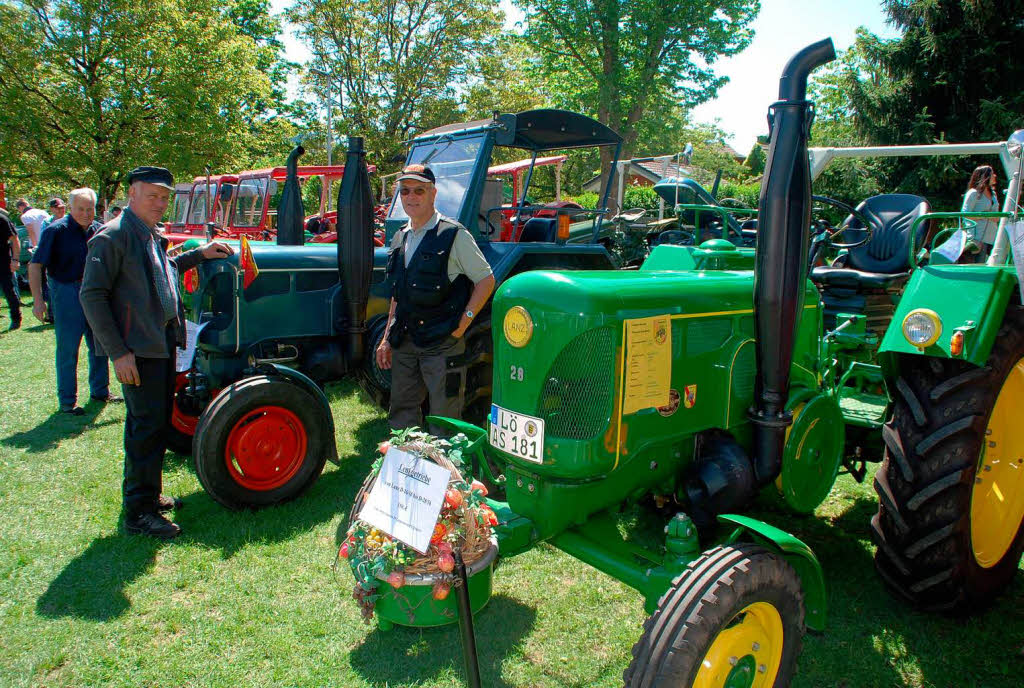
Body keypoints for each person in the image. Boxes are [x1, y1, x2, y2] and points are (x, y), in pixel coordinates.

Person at [81, 166, 234, 539]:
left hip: (161, 342)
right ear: (132, 193)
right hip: (137, 349)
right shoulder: (114, 237)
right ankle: (139, 512)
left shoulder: (149, 235)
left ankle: (148, 495)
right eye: (152, 195)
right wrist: (118, 352)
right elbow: (92, 295)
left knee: (155, 422)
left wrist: (201, 253)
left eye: (165, 197)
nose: (160, 203)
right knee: (145, 426)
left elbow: (165, 271)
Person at [375, 164, 495, 431]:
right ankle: (406, 467)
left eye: (419, 190)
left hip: (442, 343)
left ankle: (447, 470)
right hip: (404, 342)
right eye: (405, 191)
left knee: (445, 420)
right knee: (402, 415)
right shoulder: (399, 238)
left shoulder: (453, 234)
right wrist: (385, 340)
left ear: (433, 193)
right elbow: (398, 294)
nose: (411, 197)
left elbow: (486, 280)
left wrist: (462, 325)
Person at [29, 188, 118, 414]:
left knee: (100, 344)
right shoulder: (55, 231)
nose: (86, 213)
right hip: (67, 292)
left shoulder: (99, 230)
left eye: (90, 209)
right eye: (81, 209)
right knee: (68, 348)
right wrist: (38, 301)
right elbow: (35, 264)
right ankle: (67, 401)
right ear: (70, 208)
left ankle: (101, 391)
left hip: (96, 294)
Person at [960, 165, 1000, 262]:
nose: (994, 176)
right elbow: (965, 214)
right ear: (985, 176)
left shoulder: (993, 195)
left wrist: (991, 216)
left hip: (992, 239)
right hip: (977, 239)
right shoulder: (973, 193)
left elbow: (997, 217)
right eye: (991, 174)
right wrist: (984, 215)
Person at [0, 205, 21, 330]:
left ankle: (16, 318)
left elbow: (14, 239)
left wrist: (15, 259)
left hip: (3, 261)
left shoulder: (2, 219)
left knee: (9, 290)